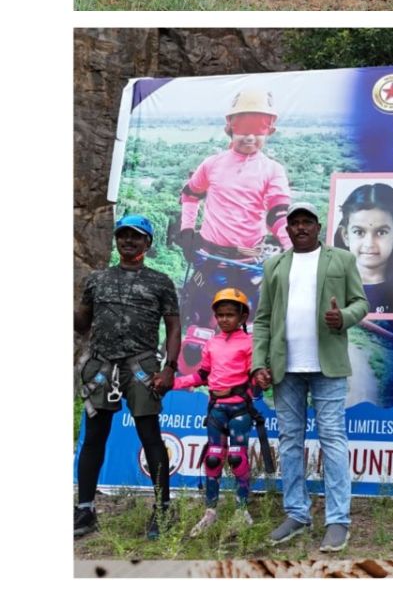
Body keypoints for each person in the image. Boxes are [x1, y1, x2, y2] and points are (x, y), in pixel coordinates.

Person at [250, 200, 368, 552]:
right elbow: (263, 320)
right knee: (289, 441)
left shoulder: (341, 259)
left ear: (318, 227)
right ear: (287, 229)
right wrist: (259, 363)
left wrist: (343, 317)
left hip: (327, 366)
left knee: (332, 439)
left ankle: (337, 520)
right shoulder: (274, 265)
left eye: (307, 222)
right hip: (285, 369)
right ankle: (297, 514)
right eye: (295, 222)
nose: (301, 227)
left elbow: (360, 303)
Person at [74, 214, 180, 541]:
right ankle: (85, 509)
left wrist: (169, 367)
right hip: (102, 367)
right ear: (117, 240)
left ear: (147, 242)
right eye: (123, 235)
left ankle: (162, 510)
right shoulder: (97, 280)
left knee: (150, 436)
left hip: (141, 367)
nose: (128, 241)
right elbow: (82, 324)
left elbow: (174, 326)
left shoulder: (160, 282)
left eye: (136, 236)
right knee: (94, 438)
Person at [175, 88, 291, 368]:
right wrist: (187, 231)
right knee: (197, 332)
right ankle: (189, 384)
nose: (250, 137)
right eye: (243, 130)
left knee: (248, 336)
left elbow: (277, 213)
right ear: (230, 128)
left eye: (258, 130)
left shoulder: (272, 170)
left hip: (249, 265)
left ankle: (242, 386)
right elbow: (190, 194)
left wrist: (293, 250)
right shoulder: (212, 164)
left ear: (269, 131)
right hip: (210, 261)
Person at [174, 289, 260, 536]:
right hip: (216, 410)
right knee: (213, 458)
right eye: (220, 315)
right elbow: (202, 375)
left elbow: (255, 377)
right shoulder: (212, 343)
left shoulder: (249, 343)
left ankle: (242, 511)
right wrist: (173, 383)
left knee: (237, 458)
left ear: (242, 317)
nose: (224, 319)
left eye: (230, 315)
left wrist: (262, 379)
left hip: (240, 410)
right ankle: (210, 512)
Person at [333, 183, 393, 315]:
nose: (369, 244)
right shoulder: (331, 289)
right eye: (359, 232)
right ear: (345, 235)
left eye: (381, 232)